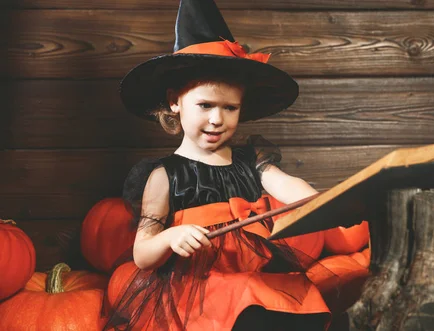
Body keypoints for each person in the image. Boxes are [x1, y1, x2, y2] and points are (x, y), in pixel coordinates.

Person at [103, 1, 369, 330]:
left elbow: (288, 185)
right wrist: (172, 236)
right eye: (205, 105)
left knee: (296, 295)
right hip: (199, 291)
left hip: (254, 277)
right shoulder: (165, 176)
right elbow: (142, 253)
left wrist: (325, 202)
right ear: (175, 101)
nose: (217, 119)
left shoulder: (249, 161)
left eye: (230, 108)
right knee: (244, 296)